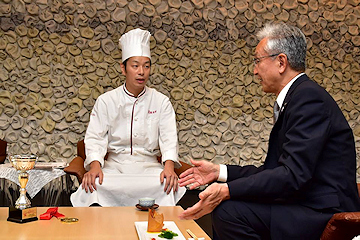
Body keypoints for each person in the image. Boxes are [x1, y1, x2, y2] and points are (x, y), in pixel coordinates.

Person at [178, 22, 360, 240]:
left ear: (281, 62)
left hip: (322, 210)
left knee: (229, 212)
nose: (255, 70)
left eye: (257, 60)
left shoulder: (309, 99)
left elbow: (291, 176)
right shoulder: (299, 96)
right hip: (306, 203)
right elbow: (275, 171)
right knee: (228, 208)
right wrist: (220, 172)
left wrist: (226, 190)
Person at [71, 28, 186, 207]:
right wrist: (94, 166)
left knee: (164, 184)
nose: (141, 72)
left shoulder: (161, 101)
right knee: (96, 185)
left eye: (146, 66)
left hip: (148, 167)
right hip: (115, 166)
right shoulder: (106, 100)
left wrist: (169, 167)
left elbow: (169, 139)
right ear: (123, 68)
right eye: (135, 65)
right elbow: (95, 138)